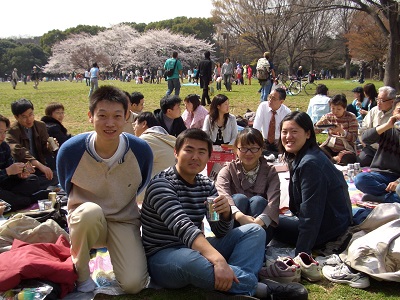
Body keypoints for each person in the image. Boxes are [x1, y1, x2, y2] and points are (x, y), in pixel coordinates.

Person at [141, 128, 308, 299]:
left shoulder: (206, 185)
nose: (195, 157)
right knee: (191, 259)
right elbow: (184, 228)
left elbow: (219, 230)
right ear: (176, 153)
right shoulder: (162, 185)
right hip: (164, 255)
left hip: (196, 248)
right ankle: (263, 290)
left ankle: (231, 291)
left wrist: (226, 214)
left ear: (208, 157)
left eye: (201, 152)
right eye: (189, 150)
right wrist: (218, 260)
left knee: (254, 231)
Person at [56, 85, 153, 293]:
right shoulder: (72, 150)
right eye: (102, 116)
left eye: (117, 116)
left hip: (123, 220)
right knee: (89, 213)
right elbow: (66, 185)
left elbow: (141, 183)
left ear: (127, 116)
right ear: (90, 116)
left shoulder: (140, 150)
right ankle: (82, 274)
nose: (110, 123)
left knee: (133, 284)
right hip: (87, 220)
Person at [275, 111, 353, 256]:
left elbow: (311, 213)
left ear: (308, 134)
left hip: (327, 231)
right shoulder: (307, 155)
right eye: (284, 132)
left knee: (269, 220)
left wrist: (301, 253)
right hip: (334, 223)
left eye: (294, 132)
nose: (288, 137)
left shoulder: (310, 164)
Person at [215, 128, 280, 245]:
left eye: (254, 148)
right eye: (244, 148)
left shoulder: (270, 171)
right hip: (233, 228)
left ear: (261, 150)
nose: (249, 153)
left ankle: (254, 246)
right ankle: (236, 245)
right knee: (239, 199)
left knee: (258, 201)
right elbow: (222, 194)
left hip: (261, 228)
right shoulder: (228, 170)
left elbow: (274, 201)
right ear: (236, 150)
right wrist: (239, 216)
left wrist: (258, 223)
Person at [354, 97, 400, 204]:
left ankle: (382, 197)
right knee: (360, 179)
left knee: (399, 189)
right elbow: (365, 138)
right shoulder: (387, 129)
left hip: (398, 178)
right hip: (381, 175)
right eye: (399, 111)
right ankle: (390, 197)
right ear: (393, 112)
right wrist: (388, 125)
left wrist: (397, 182)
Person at [0, 114, 50, 211]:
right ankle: (30, 199)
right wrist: (7, 171)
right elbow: (8, 171)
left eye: (4, 132)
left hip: (5, 185)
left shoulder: (4, 147)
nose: (2, 136)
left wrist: (19, 173)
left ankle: (18, 200)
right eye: (0, 132)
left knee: (33, 180)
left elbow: (10, 171)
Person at [6, 99, 58, 190]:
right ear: (16, 117)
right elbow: (19, 152)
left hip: (39, 169)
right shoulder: (12, 131)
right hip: (23, 171)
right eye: (24, 117)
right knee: (31, 181)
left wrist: (49, 146)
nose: (29, 119)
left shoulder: (40, 126)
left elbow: (44, 150)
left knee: (55, 175)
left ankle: (36, 188)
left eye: (31, 114)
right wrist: (39, 165)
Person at [316, 94, 358, 165]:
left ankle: (332, 160)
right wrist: (318, 124)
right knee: (317, 152)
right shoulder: (328, 116)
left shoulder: (351, 117)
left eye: (338, 109)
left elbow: (353, 138)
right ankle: (333, 160)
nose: (335, 111)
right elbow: (316, 131)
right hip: (330, 146)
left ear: (344, 108)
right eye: (333, 108)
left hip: (345, 148)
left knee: (347, 158)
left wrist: (341, 131)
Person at [357, 86, 394, 166]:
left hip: (388, 150)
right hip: (371, 147)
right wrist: (364, 143)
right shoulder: (374, 110)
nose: (378, 102)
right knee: (361, 162)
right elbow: (363, 129)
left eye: (382, 100)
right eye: (378, 99)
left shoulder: (395, 114)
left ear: (392, 101)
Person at [134, 112, 176, 180]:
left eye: (135, 125)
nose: (134, 128)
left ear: (144, 124)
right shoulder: (165, 138)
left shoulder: (145, 139)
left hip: (157, 185)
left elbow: (133, 167)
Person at [253, 88, 291, 158]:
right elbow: (256, 127)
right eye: (269, 97)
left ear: (281, 101)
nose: (270, 100)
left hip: (279, 143)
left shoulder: (287, 112)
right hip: (265, 142)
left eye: (273, 99)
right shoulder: (263, 106)